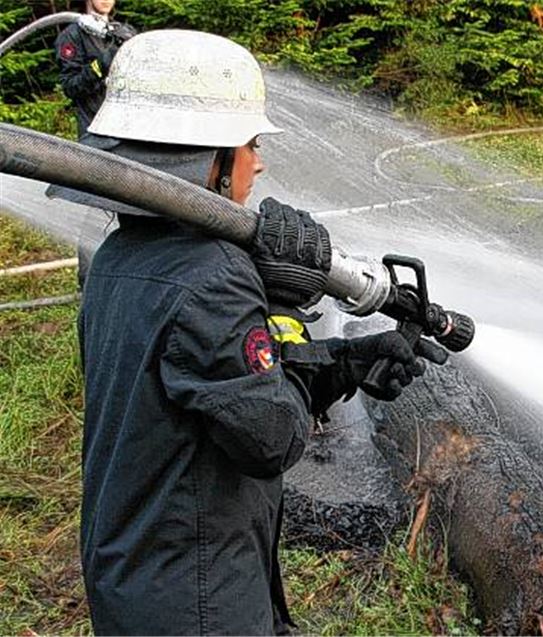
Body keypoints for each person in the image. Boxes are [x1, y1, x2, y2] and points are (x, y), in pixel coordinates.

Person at [73, 29, 434, 635]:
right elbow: (271, 436)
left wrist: (343, 363)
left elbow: (200, 391)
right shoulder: (211, 277)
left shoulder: (119, 254)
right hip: (197, 600)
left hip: (142, 573)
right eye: (249, 142)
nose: (259, 160)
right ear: (207, 158)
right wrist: (283, 308)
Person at [55, 0, 136, 139]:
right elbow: (70, 86)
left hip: (127, 128)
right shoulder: (72, 35)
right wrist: (99, 67)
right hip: (94, 131)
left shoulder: (125, 32)